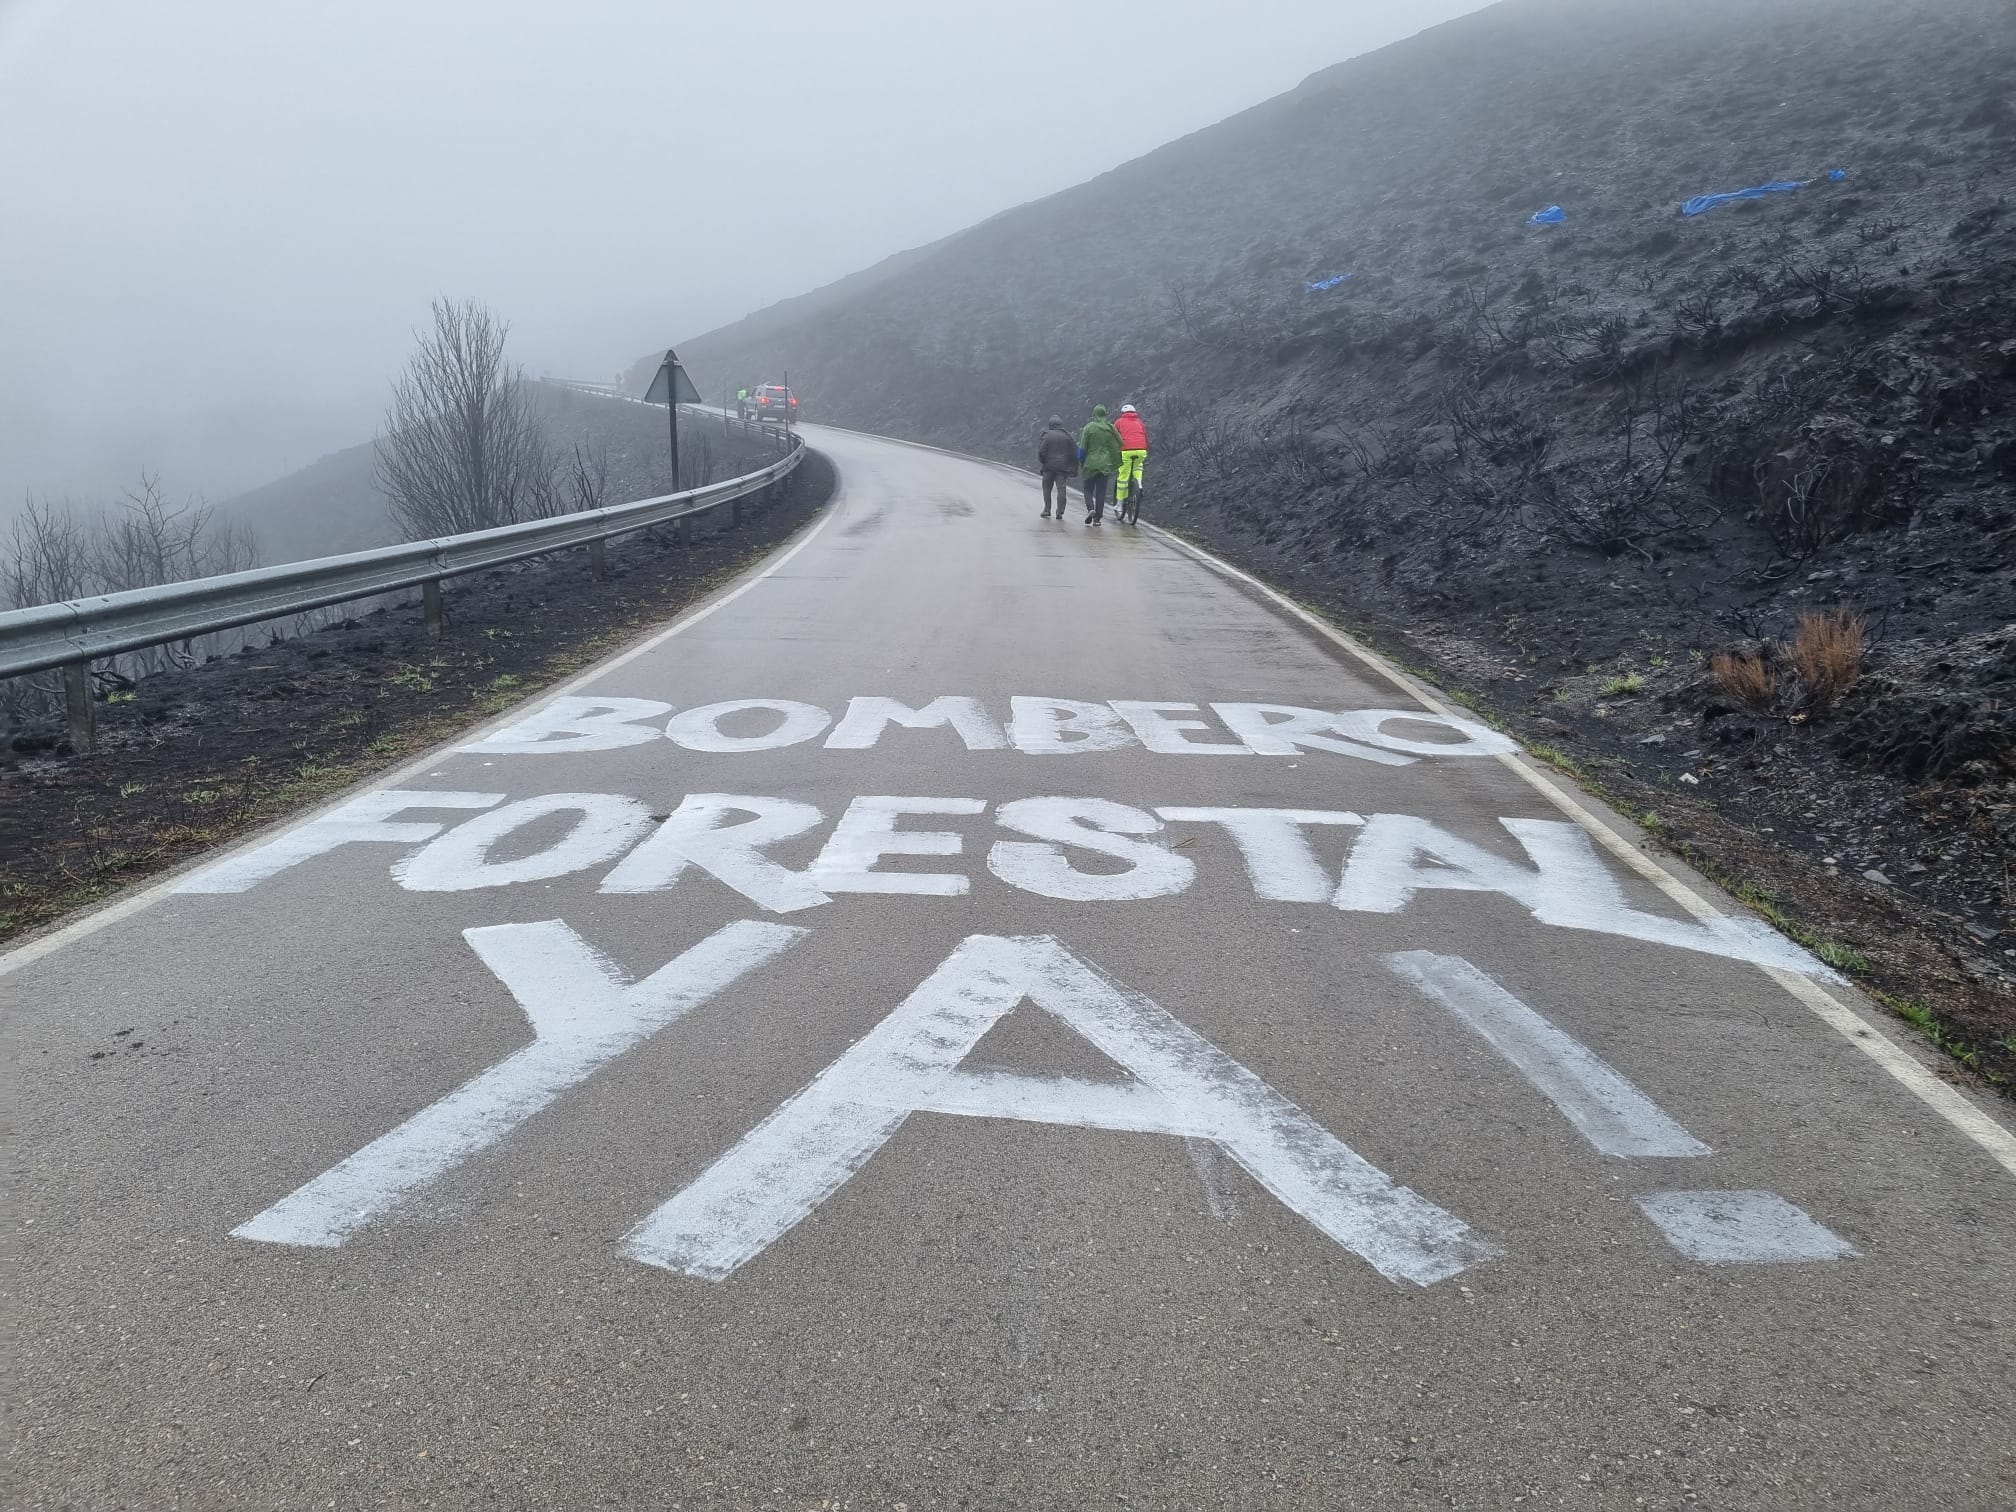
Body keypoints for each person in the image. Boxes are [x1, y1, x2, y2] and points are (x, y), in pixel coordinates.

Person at [1077, 404, 1122, 525]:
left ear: (1094, 414)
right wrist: (1115, 460)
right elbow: (1118, 444)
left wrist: (1081, 461)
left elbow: (1082, 448)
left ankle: (1090, 509)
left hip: (1090, 464)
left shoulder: (1089, 428)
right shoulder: (1110, 428)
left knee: (1088, 489)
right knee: (1101, 492)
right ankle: (1097, 519)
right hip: (1105, 465)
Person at [1114, 403, 1150, 525]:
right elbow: (1145, 436)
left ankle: (1119, 504)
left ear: (1123, 413)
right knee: (1138, 467)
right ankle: (1139, 484)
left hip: (1126, 450)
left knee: (1123, 477)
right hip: (1141, 450)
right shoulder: (1140, 422)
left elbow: (1114, 436)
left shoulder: (1119, 422)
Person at [1037, 416, 1077, 519]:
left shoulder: (1047, 435)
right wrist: (1072, 468)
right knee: (1061, 490)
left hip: (1048, 467)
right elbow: (1074, 453)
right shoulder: (1067, 436)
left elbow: (1041, 451)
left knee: (1046, 489)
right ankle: (1060, 511)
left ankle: (1047, 509)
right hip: (1062, 469)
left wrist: (1043, 461)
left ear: (1051, 425)